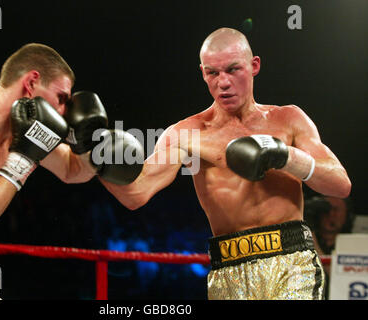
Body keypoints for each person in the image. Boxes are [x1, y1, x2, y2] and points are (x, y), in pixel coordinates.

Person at [100, 28, 352, 300]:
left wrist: (287, 157)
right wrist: (94, 158)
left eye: (233, 70)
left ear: (254, 65)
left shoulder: (289, 119)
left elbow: (340, 185)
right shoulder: (187, 134)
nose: (223, 82)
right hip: (228, 270)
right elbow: (136, 193)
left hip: (292, 264)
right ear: (202, 73)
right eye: (213, 73)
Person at [0, 43, 142, 299]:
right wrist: (24, 158)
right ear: (31, 82)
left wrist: (93, 148)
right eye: (61, 98)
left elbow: (72, 170)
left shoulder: (22, 132)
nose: (63, 112)